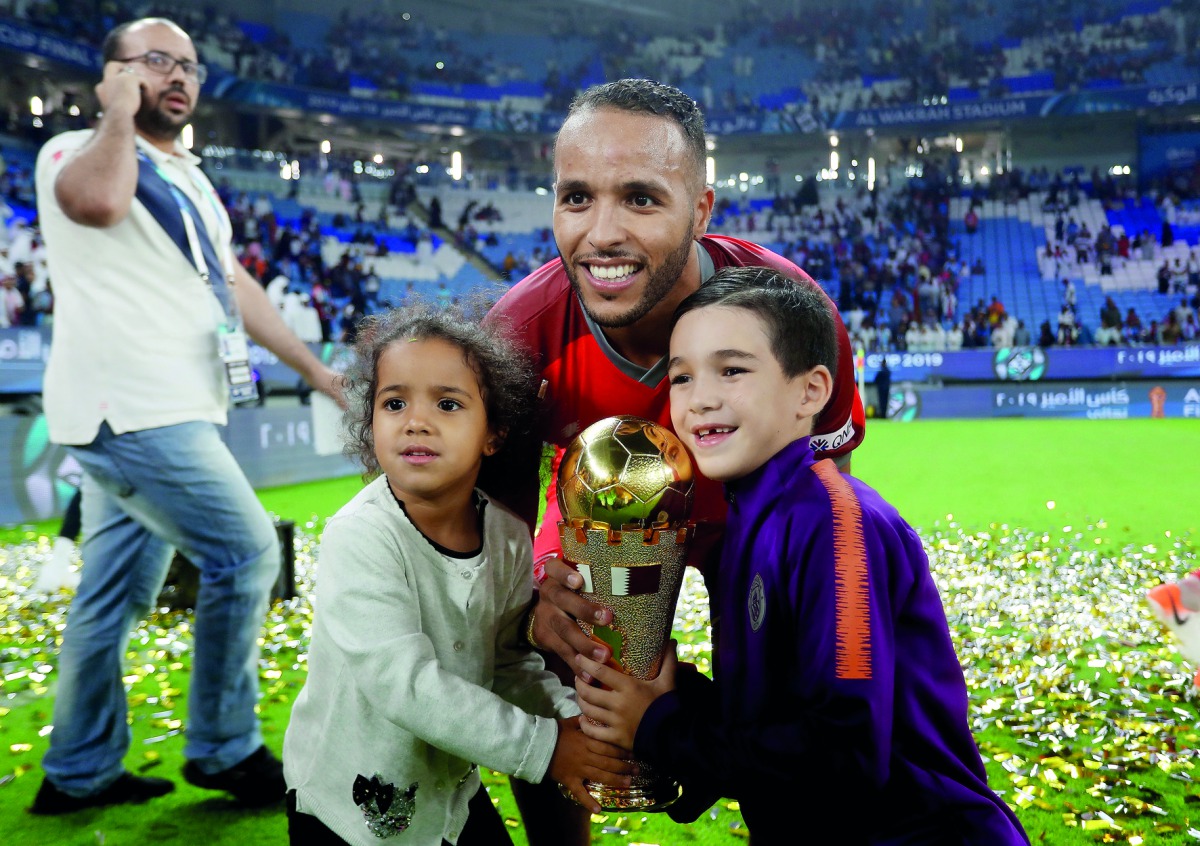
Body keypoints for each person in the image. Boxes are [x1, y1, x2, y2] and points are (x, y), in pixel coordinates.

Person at [480, 78, 865, 846]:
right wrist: (530, 598)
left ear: (702, 209)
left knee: (783, 694)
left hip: (745, 520)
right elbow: (489, 533)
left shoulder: (792, 316)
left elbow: (822, 514)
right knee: (556, 648)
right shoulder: (517, 334)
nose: (601, 234)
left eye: (642, 199)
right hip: (599, 519)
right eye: (577, 197)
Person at [573, 266, 1031, 844]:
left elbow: (844, 751)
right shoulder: (747, 518)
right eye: (682, 377)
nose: (700, 399)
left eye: (732, 370)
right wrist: (671, 695)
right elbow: (780, 715)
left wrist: (664, 727)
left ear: (810, 391)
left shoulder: (838, 525)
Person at [30, 17, 344, 815]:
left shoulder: (190, 176)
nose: (180, 76)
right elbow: (98, 205)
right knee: (245, 554)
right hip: (132, 410)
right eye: (156, 62)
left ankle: (77, 771)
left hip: (171, 408)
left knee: (110, 598)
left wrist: (313, 370)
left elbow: (231, 283)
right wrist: (114, 111)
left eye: (191, 67)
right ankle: (224, 747)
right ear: (115, 75)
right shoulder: (76, 151)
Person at [283, 304, 632, 845]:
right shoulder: (361, 536)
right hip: (353, 811)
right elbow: (406, 686)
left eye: (447, 404)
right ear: (369, 421)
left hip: (451, 792)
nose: (416, 421)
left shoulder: (507, 537)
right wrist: (546, 748)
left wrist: (575, 725)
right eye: (393, 402)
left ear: (494, 433)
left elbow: (509, 661)